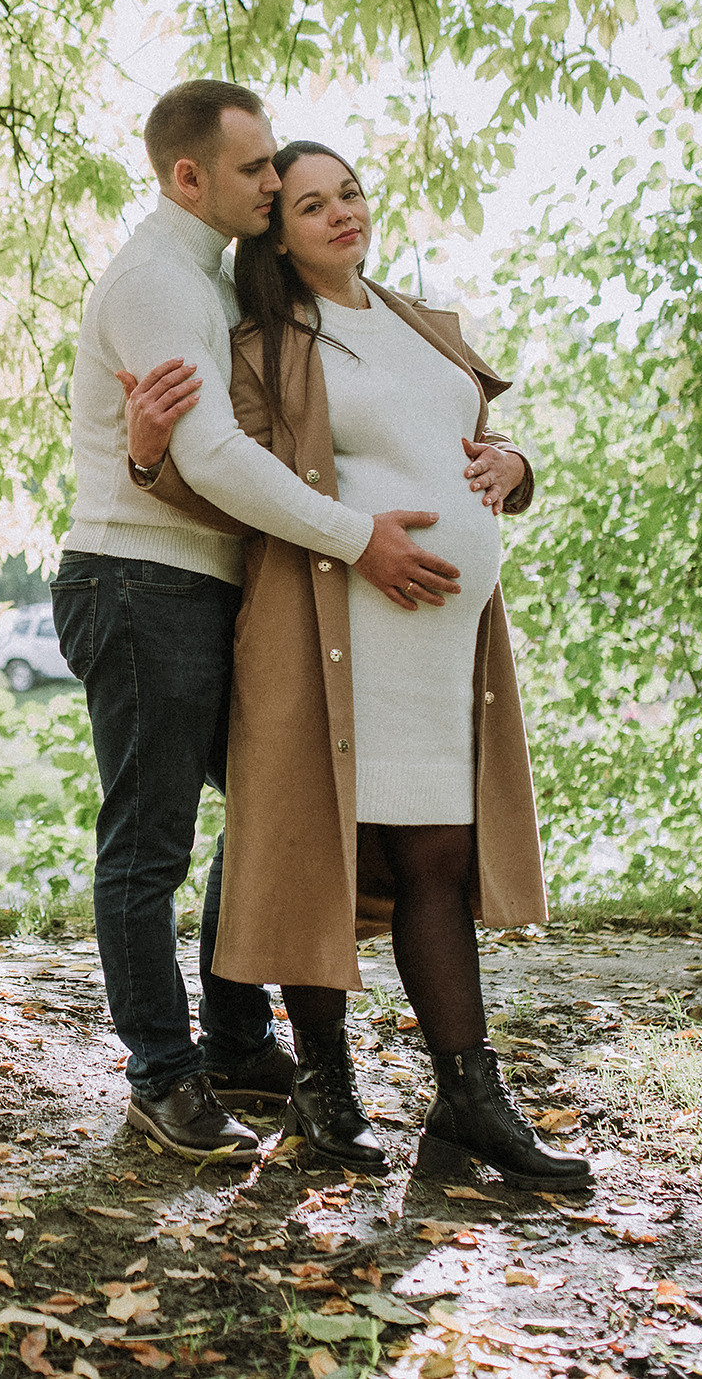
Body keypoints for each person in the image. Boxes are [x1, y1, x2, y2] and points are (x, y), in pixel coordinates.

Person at [119, 140, 590, 1191]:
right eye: (311, 205)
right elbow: (223, 476)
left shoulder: (420, 320)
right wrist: (147, 456)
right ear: (275, 233)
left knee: (438, 858)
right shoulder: (265, 343)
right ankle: (326, 1088)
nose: (342, 215)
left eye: (352, 193)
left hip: (441, 646)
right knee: (316, 855)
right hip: (335, 630)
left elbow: (471, 439)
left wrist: (518, 468)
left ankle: (469, 1100)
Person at [56, 83, 464, 1164]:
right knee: (149, 846)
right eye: (256, 171)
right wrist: (355, 537)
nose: (277, 185)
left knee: (272, 808)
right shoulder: (156, 283)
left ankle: (237, 1034)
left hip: (203, 584)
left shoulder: (206, 280)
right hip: (139, 586)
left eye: (277, 165)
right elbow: (216, 459)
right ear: (188, 178)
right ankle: (164, 1075)